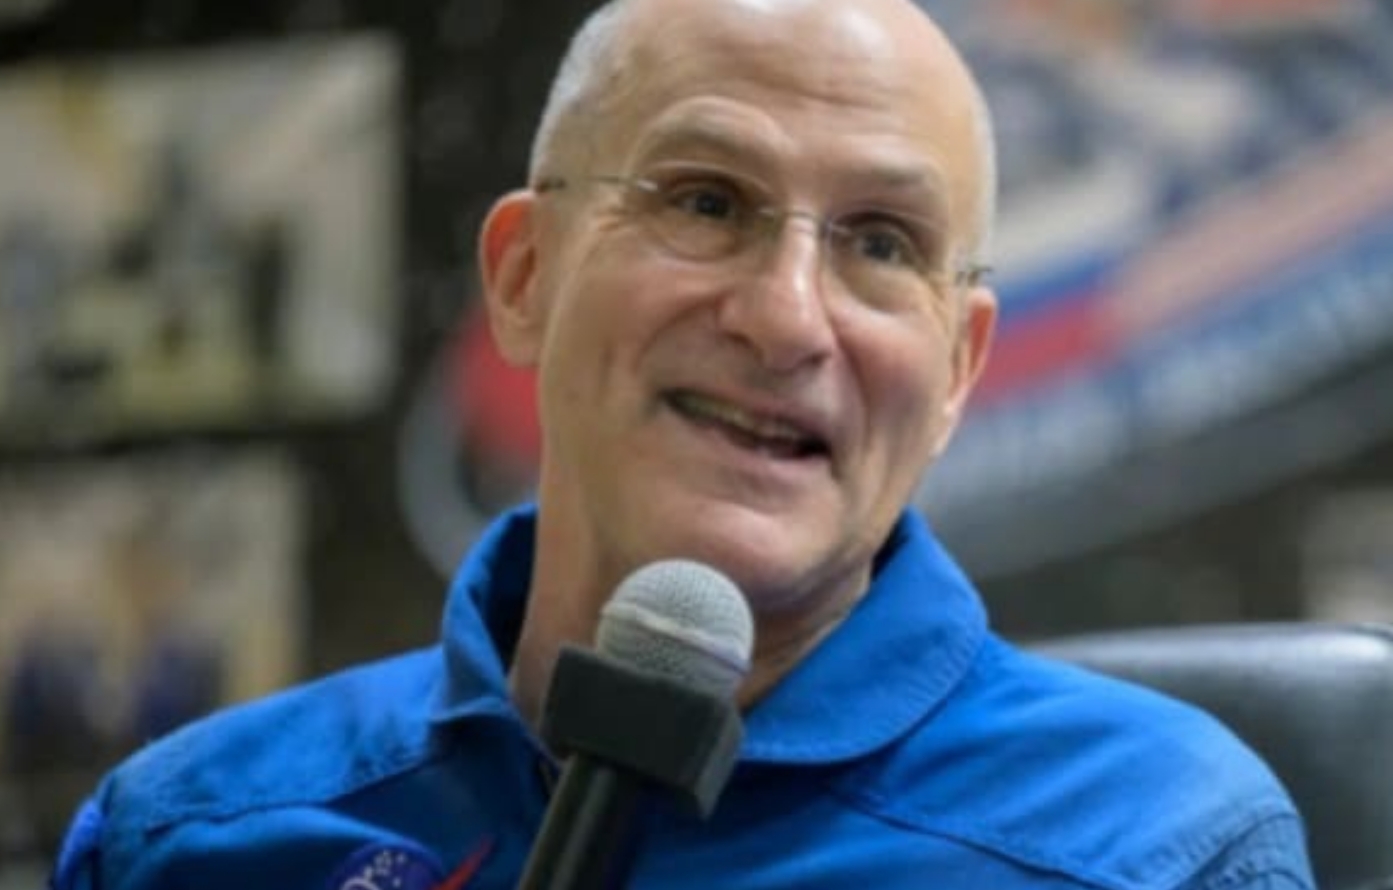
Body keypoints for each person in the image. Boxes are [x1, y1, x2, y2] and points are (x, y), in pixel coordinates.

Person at [50, 0, 1315, 887]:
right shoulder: (191, 834)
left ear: (956, 369)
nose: (786, 318)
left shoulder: (1159, 844)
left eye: (882, 243)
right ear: (525, 276)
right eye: (706, 201)